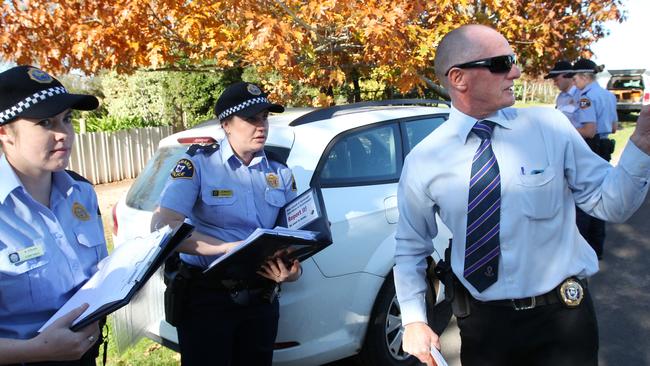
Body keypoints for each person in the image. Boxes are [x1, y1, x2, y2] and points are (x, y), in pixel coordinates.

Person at [394, 24, 650, 366]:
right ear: (458, 78)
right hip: (484, 328)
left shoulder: (550, 127)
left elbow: (611, 204)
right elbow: (411, 247)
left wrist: (642, 145)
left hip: (563, 324)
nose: (516, 71)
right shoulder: (424, 160)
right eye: (502, 62)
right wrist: (413, 319)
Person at [150, 81, 302, 366]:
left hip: (261, 297)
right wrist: (226, 248)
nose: (262, 126)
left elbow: (291, 235)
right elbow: (162, 226)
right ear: (226, 125)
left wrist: (293, 271)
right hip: (207, 298)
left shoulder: (279, 171)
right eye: (251, 118)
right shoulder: (199, 164)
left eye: (265, 117)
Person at [0, 66, 107, 365]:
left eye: (67, 119)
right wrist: (40, 350)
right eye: (46, 122)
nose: (63, 134)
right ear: (5, 133)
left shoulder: (82, 192)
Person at [565, 58, 620, 258]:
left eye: (575, 78)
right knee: (600, 196)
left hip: (591, 147)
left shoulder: (585, 97)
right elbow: (614, 127)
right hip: (605, 147)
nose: (574, 82)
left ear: (583, 77)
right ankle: (597, 248)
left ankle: (582, 250)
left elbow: (589, 130)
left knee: (584, 198)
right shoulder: (608, 95)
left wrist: (566, 129)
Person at [544, 60, 580, 126]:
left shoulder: (581, 95)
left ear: (567, 76)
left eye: (556, 79)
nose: (554, 83)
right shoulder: (560, 97)